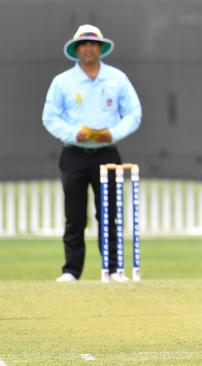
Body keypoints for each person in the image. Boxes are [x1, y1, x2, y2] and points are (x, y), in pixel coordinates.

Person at [42, 24, 142, 282]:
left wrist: (113, 133)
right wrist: (74, 134)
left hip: (106, 155)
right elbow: (50, 118)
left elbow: (134, 113)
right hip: (73, 153)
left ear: (100, 48)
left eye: (92, 44)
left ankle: (112, 269)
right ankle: (71, 271)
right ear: (77, 50)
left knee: (109, 214)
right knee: (74, 216)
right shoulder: (62, 81)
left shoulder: (116, 78)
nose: (88, 48)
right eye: (83, 44)